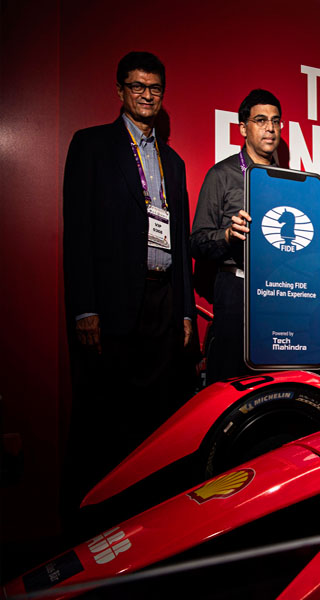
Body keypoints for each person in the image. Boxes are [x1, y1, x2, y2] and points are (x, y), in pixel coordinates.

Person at [62, 51, 194, 507]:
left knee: (155, 417)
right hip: (112, 303)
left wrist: (183, 310)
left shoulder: (172, 162)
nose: (146, 95)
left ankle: (142, 517)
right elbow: (77, 233)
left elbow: (176, 238)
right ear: (120, 91)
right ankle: (90, 519)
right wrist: (85, 306)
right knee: (103, 418)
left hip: (162, 302)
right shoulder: (91, 146)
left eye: (154, 88)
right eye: (137, 86)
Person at [190, 89, 282, 383]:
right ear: (243, 128)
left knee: (276, 381)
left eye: (275, 121)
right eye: (260, 120)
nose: (270, 127)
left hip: (280, 292)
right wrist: (228, 235)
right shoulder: (222, 174)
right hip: (236, 289)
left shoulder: (290, 180)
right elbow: (197, 240)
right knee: (231, 384)